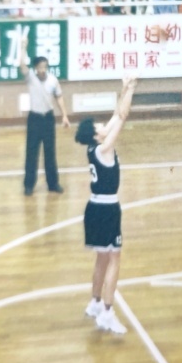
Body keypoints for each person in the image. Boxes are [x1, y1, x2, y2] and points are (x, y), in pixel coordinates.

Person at [78, 74, 138, 335]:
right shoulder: (104, 149)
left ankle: (94, 303)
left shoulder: (94, 148)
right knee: (114, 258)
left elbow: (116, 115)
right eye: (100, 126)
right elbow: (122, 117)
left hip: (94, 208)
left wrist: (123, 89)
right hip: (106, 210)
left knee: (102, 258)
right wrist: (132, 88)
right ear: (97, 135)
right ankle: (108, 313)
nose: (104, 125)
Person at [18, 36, 70, 196]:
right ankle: (29, 185)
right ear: (35, 68)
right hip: (34, 119)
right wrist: (23, 46)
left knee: (50, 152)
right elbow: (22, 65)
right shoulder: (31, 78)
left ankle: (53, 184)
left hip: (48, 119)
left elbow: (59, 97)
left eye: (44, 67)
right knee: (31, 153)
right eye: (40, 67)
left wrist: (64, 115)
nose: (42, 70)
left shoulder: (53, 80)